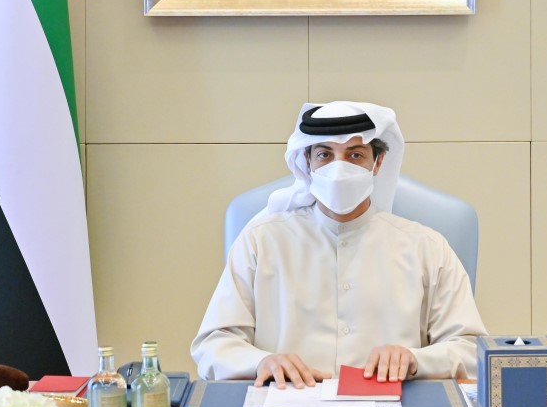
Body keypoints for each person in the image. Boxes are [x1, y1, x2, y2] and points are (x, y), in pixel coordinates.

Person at [191, 101, 487, 387]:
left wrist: (415, 360)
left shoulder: (427, 247)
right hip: (283, 406)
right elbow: (213, 346)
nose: (339, 168)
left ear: (378, 163)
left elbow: (472, 351)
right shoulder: (261, 241)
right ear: (307, 162)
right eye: (325, 155)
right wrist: (260, 362)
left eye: (355, 155)